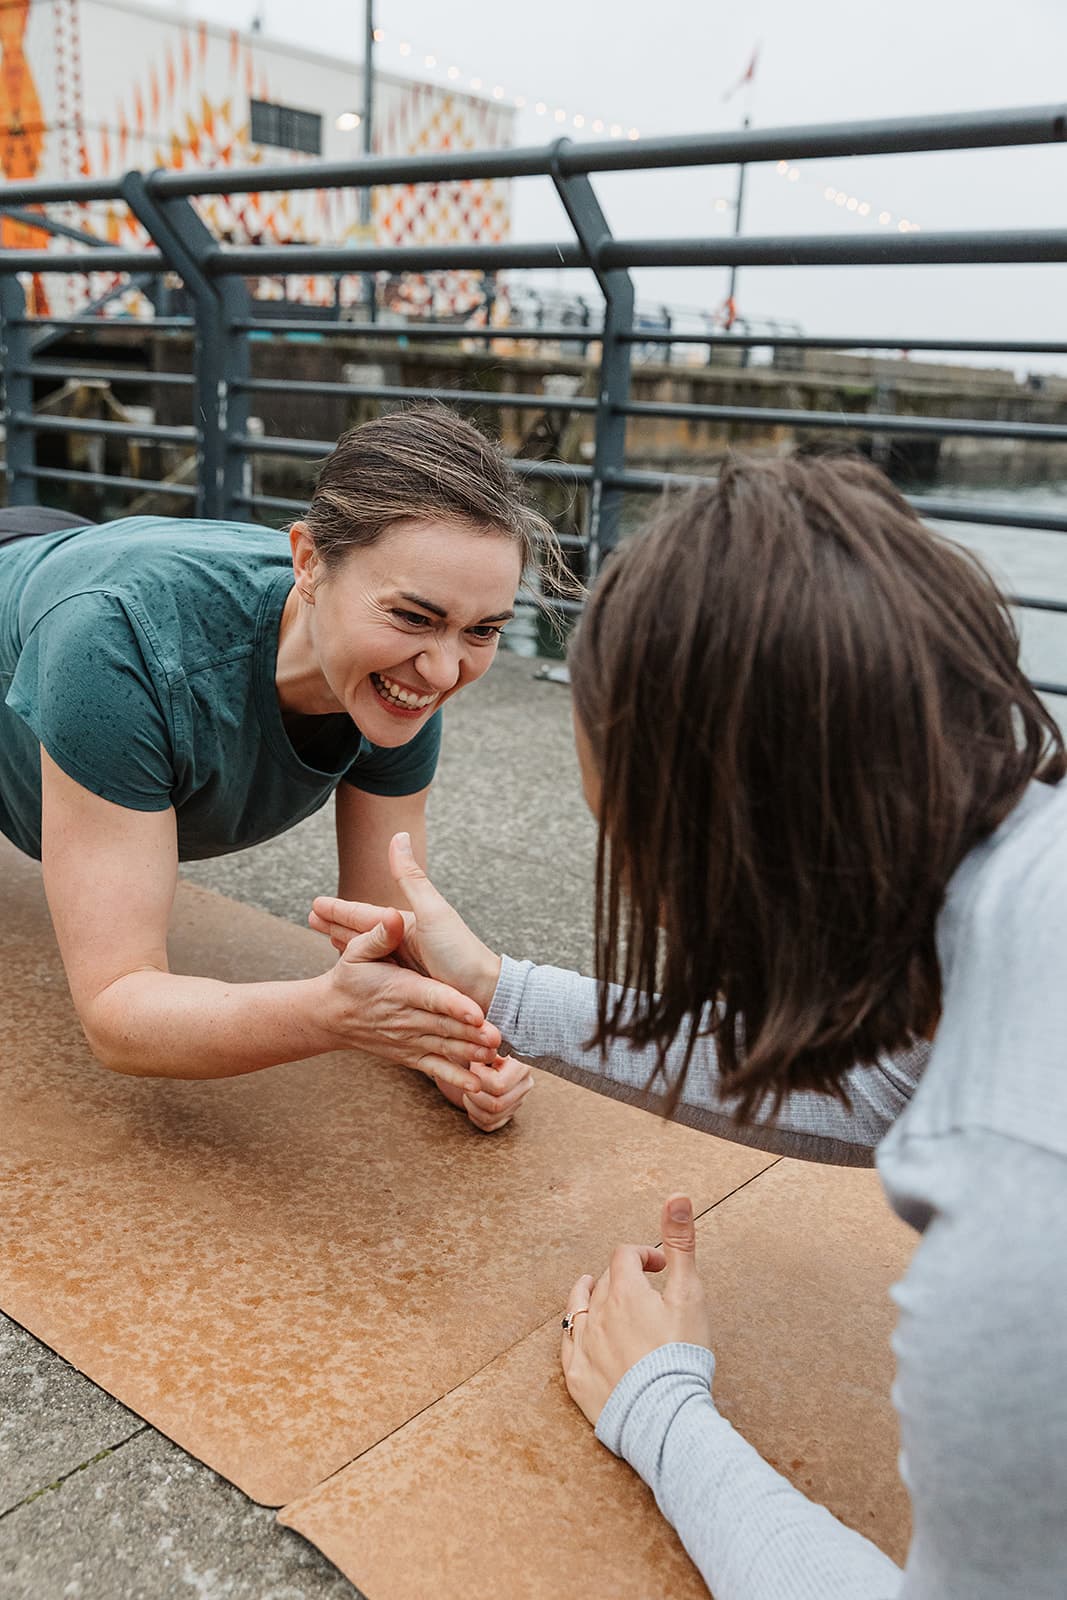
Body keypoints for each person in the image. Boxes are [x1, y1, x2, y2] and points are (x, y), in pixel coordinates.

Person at [312, 453, 1067, 1597]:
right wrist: (501, 990)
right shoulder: (1020, 869)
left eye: (632, 841)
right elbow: (878, 1085)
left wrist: (655, 1406)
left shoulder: (1019, 1215)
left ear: (723, 838)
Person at [0, 405, 554, 1130]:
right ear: (308, 562)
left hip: (71, 549)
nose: (445, 668)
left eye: (481, 629)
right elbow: (118, 1011)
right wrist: (330, 1013)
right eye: (415, 617)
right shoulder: (115, 645)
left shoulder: (397, 675)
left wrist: (441, 1048)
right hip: (64, 580)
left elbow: (381, 926)